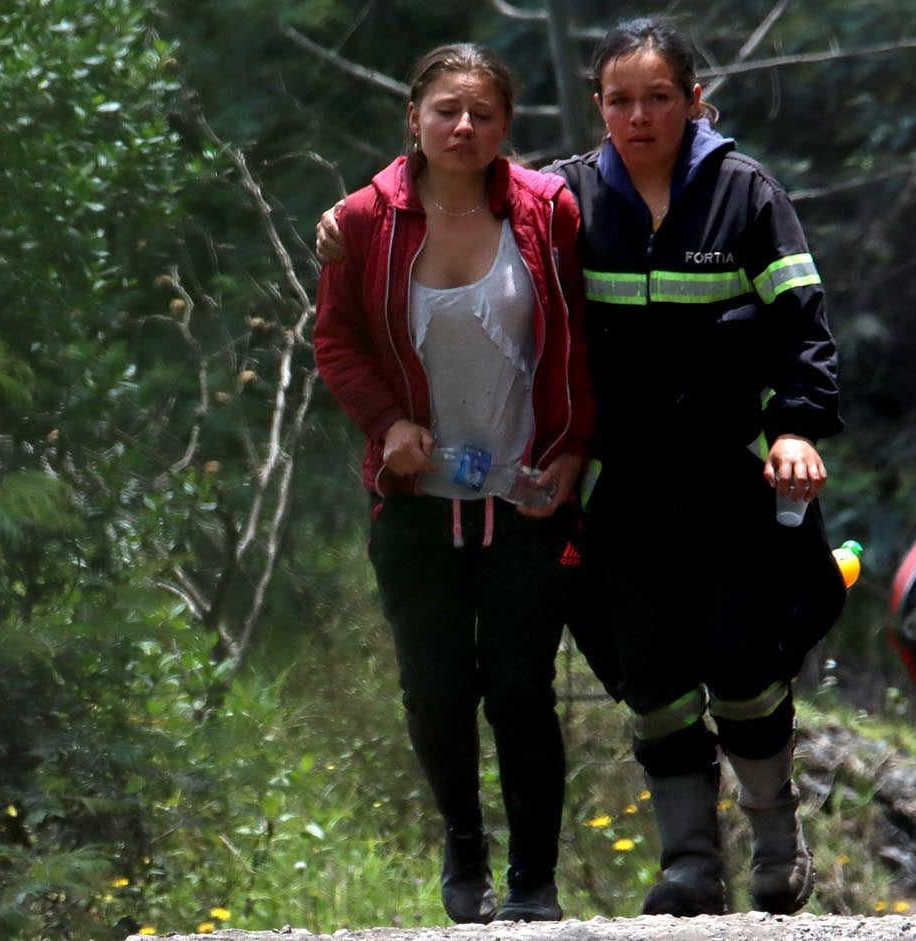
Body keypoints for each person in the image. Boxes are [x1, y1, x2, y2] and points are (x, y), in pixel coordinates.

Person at [322, 16, 845, 918]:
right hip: (618, 485)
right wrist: (348, 217)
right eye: (618, 100)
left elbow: (803, 325)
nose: (637, 116)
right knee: (648, 672)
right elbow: (452, 199)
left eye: (657, 99)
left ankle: (772, 836)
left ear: (694, 102)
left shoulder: (746, 195)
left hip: (726, 476)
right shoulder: (565, 200)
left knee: (743, 659)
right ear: (597, 107)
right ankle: (689, 861)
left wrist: (797, 428)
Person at [312, 43, 594, 924]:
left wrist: (575, 450)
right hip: (414, 504)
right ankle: (464, 849)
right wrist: (388, 425)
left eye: (480, 112)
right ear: (414, 118)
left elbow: (585, 340)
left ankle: (534, 882)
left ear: (506, 126)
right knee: (435, 689)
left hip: (526, 499)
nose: (462, 126)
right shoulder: (364, 220)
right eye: (445, 110)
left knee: (520, 688)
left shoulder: (548, 211)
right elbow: (336, 342)